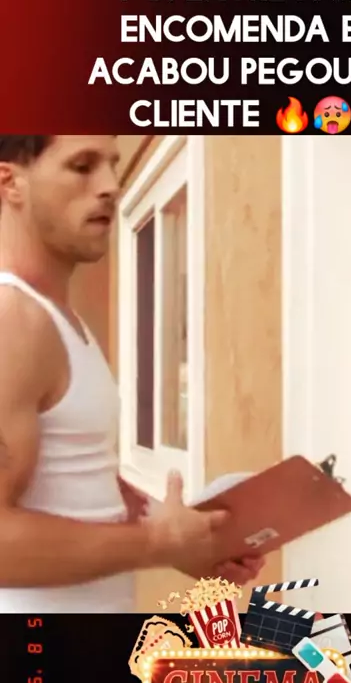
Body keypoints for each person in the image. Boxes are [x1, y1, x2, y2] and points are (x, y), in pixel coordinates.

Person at [0, 135, 264, 613]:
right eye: (82, 166)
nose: (110, 185)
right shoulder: (11, 318)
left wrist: (185, 536)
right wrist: (158, 543)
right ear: (10, 183)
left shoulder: (60, 320)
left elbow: (80, 482)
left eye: (111, 165)